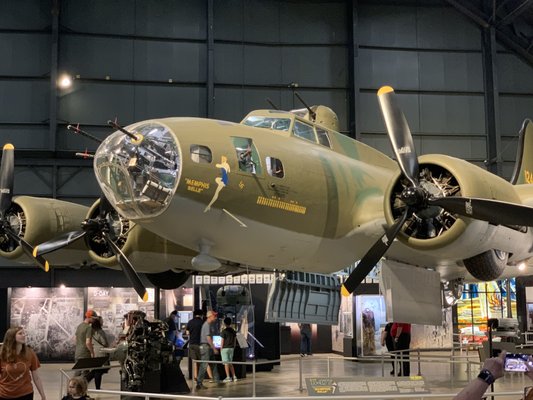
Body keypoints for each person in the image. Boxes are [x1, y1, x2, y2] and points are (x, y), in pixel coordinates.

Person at [0, 326, 47, 400]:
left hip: (26, 394)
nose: (24, 335)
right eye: (20, 333)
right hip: (5, 395)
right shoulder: (2, 354)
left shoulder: (30, 353)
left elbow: (36, 378)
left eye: (24, 333)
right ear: (12, 337)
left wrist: (43, 396)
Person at [187, 309, 214, 382]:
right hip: (200, 344)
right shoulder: (203, 323)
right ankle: (211, 377)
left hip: (192, 344)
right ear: (201, 315)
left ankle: (195, 377)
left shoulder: (190, 322)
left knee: (195, 361)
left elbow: (187, 333)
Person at [196, 310, 221, 389]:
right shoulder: (206, 325)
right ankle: (199, 383)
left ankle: (217, 380)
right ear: (210, 316)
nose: (216, 317)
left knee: (213, 364)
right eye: (214, 316)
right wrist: (214, 348)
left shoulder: (210, 325)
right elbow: (208, 338)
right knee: (204, 365)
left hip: (208, 347)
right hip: (206, 347)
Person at [85, 317, 109, 390]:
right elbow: (104, 342)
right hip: (101, 352)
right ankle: (96, 386)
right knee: (98, 371)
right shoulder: (100, 332)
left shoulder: (91, 331)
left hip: (94, 351)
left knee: (96, 370)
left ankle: (85, 381)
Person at [74, 310, 96, 377]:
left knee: (77, 373)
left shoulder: (79, 326)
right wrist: (92, 352)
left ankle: (72, 386)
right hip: (85, 354)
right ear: (90, 317)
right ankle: (82, 387)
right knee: (85, 374)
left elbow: (75, 339)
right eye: (93, 318)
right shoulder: (88, 327)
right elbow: (88, 342)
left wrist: (79, 346)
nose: (94, 320)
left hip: (78, 353)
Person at [220, 317, 237, 383]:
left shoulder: (224, 331)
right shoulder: (233, 331)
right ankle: (234, 376)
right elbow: (235, 341)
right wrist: (234, 347)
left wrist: (221, 348)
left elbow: (222, 341)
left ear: (224, 323)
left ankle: (228, 377)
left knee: (226, 363)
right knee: (230, 363)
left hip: (225, 348)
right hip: (231, 348)